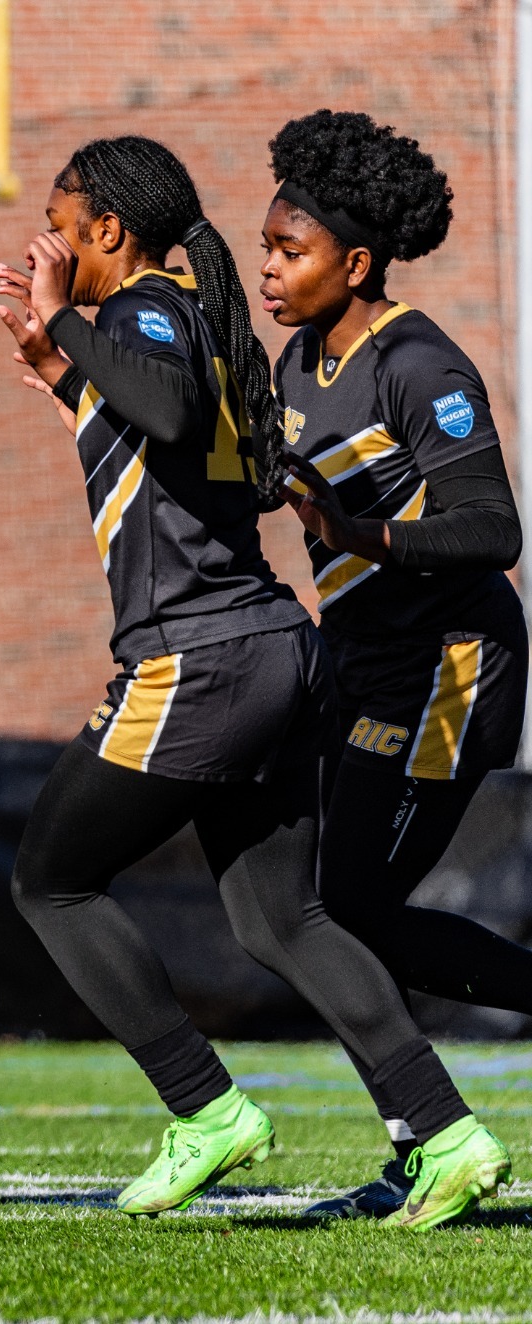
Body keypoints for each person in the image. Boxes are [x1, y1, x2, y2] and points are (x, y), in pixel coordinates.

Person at [0, 136, 508, 1228]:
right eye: (265, 247)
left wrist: (72, 328)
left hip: (320, 660)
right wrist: (55, 366)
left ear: (109, 233)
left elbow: (170, 415)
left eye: (60, 222)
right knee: (296, 916)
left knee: (51, 878)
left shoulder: (147, 311)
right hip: (301, 650)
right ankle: (441, 1136)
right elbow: (167, 452)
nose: (269, 264)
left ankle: (207, 1107)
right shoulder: (227, 341)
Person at [259, 109, 532, 1218]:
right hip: (364, 663)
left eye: (290, 252)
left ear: (355, 262)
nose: (269, 271)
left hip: (450, 665)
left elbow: (491, 532)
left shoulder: (419, 364)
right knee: (336, 911)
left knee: (344, 909)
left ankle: (424, 1139)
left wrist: (364, 536)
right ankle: (416, 1141)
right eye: (266, 249)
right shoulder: (292, 358)